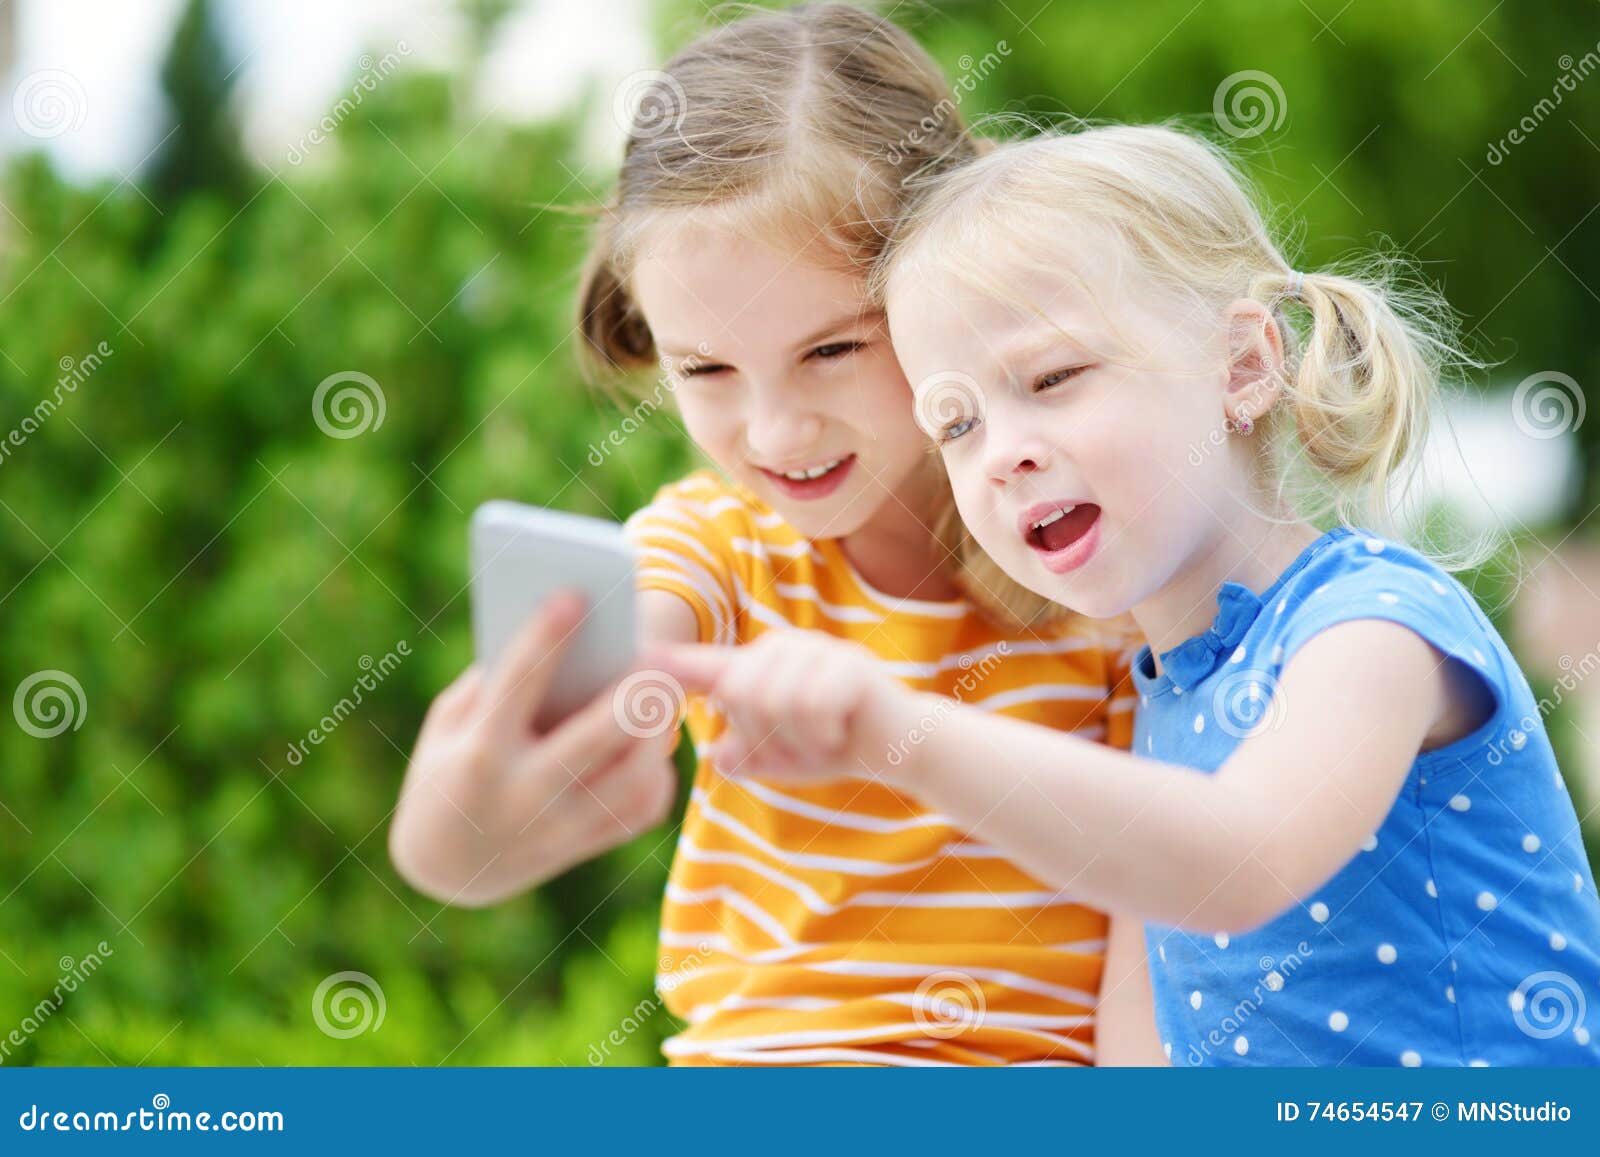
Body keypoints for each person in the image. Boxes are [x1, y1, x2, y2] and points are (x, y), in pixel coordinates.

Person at [655, 123, 1600, 1066]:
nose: (1001, 452)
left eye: (1054, 377)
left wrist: (892, 730)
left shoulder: (1369, 626)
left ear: (1242, 365)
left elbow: (1239, 861)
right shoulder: (1159, 691)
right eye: (956, 422)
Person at [390, 6, 1148, 1067]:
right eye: (705, 369)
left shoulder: (1092, 555)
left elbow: (1157, 934)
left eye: (832, 347)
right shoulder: (718, 547)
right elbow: (466, 837)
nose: (776, 431)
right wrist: (468, 821)